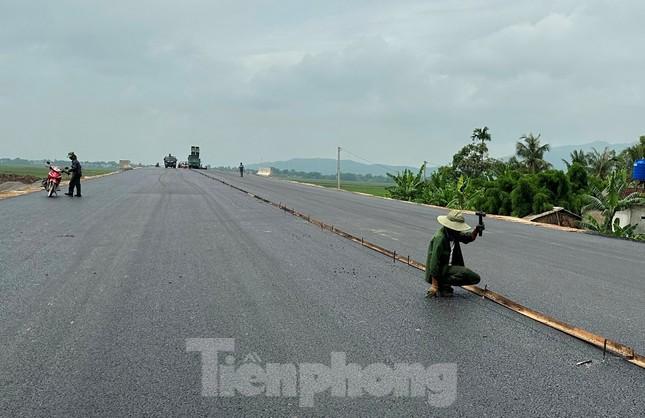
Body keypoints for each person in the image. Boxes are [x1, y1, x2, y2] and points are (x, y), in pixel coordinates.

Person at [425, 210, 483, 298]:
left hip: (446, 268)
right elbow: (434, 263)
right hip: (438, 271)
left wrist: (476, 230)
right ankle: (441, 285)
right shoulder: (440, 238)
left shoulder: (453, 233)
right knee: (465, 273)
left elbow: (468, 237)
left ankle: (444, 285)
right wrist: (434, 286)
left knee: (475, 278)